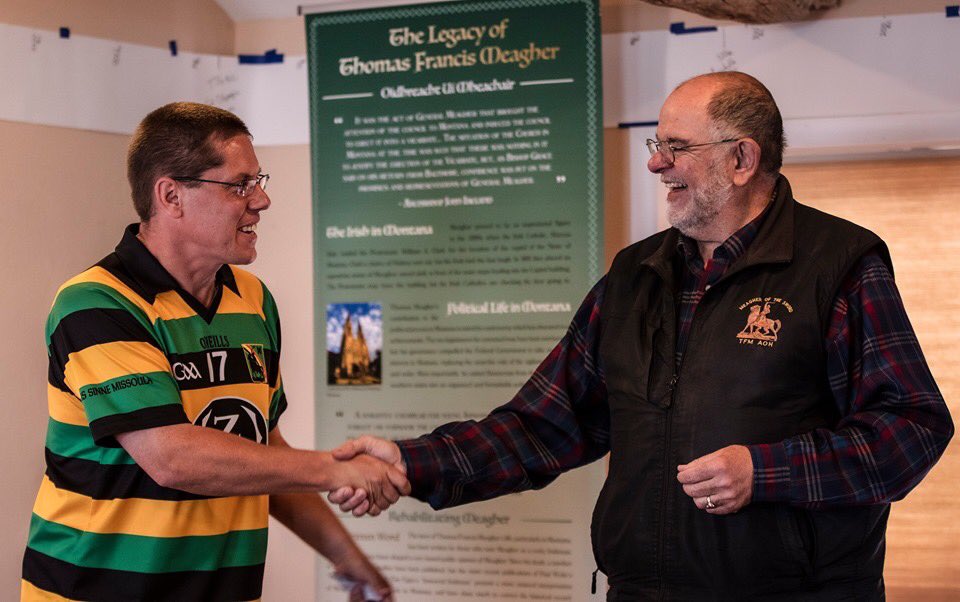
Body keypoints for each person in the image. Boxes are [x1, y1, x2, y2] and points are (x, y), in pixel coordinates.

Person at [329, 72, 954, 600]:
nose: (656, 162)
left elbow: (911, 429)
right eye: (658, 144)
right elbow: (545, 425)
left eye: (676, 147)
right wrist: (414, 461)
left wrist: (765, 472)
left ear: (742, 160)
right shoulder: (634, 275)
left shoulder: (839, 264)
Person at [21, 102, 409, 602]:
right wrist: (336, 469)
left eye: (258, 180)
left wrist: (350, 560)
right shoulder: (96, 302)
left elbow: (264, 453)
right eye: (239, 185)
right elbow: (174, 458)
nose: (262, 200)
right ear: (171, 195)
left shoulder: (253, 299)